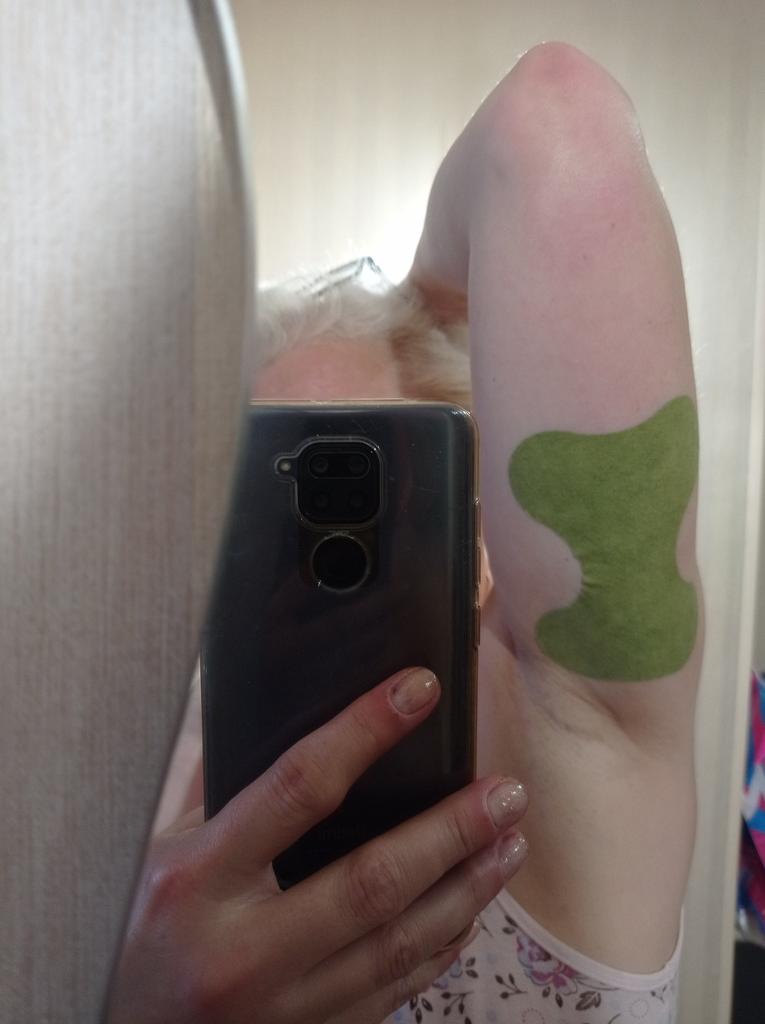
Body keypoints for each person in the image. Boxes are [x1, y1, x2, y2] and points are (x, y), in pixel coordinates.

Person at [107, 41, 702, 1024]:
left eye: (374, 468)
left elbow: (556, 119)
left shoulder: (576, 736)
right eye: (258, 486)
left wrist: (425, 301)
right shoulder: (128, 821)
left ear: (479, 523)